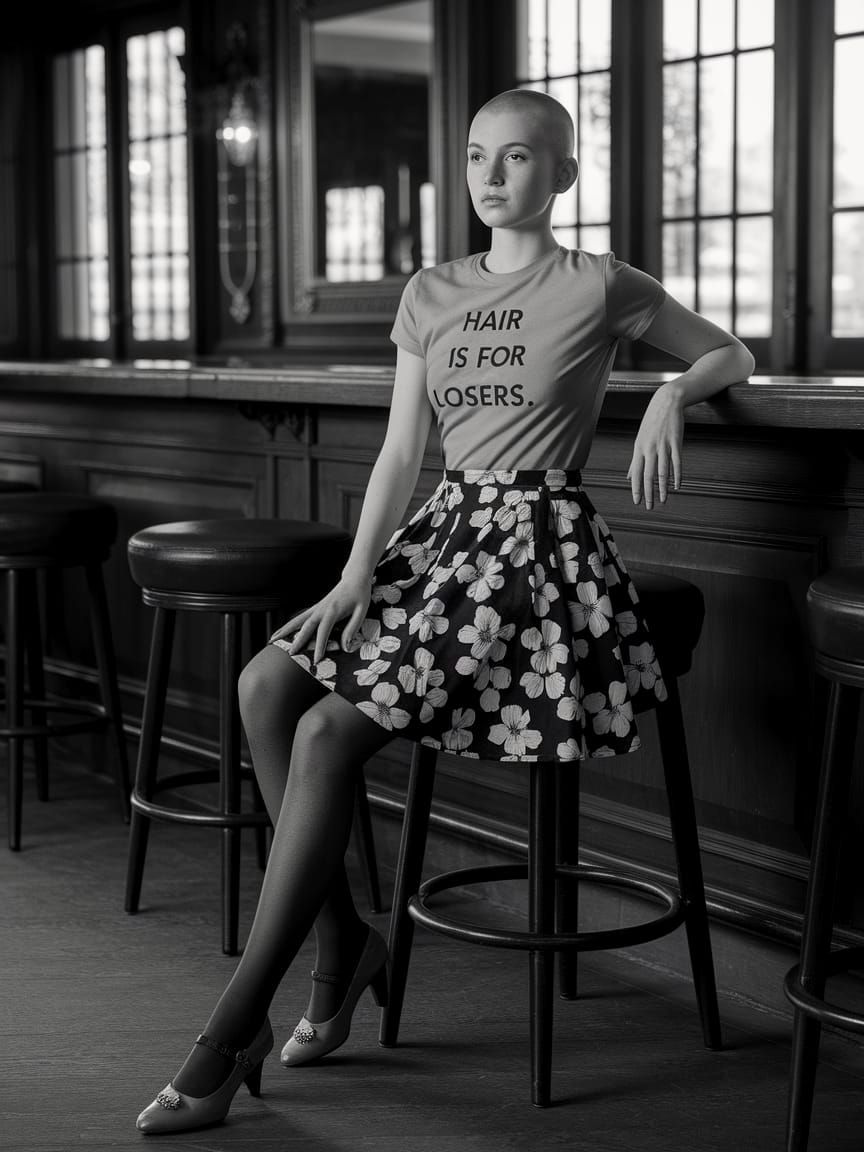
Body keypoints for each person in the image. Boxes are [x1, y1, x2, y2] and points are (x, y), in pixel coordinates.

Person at [136, 87, 754, 1133]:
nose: (492, 175)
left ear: (561, 177)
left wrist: (666, 393)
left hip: (534, 550)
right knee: (263, 685)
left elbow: (729, 352)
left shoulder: (600, 283)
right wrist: (354, 575)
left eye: (519, 159)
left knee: (328, 729)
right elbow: (397, 452)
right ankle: (342, 944)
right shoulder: (431, 291)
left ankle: (234, 1027)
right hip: (439, 537)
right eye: (478, 156)